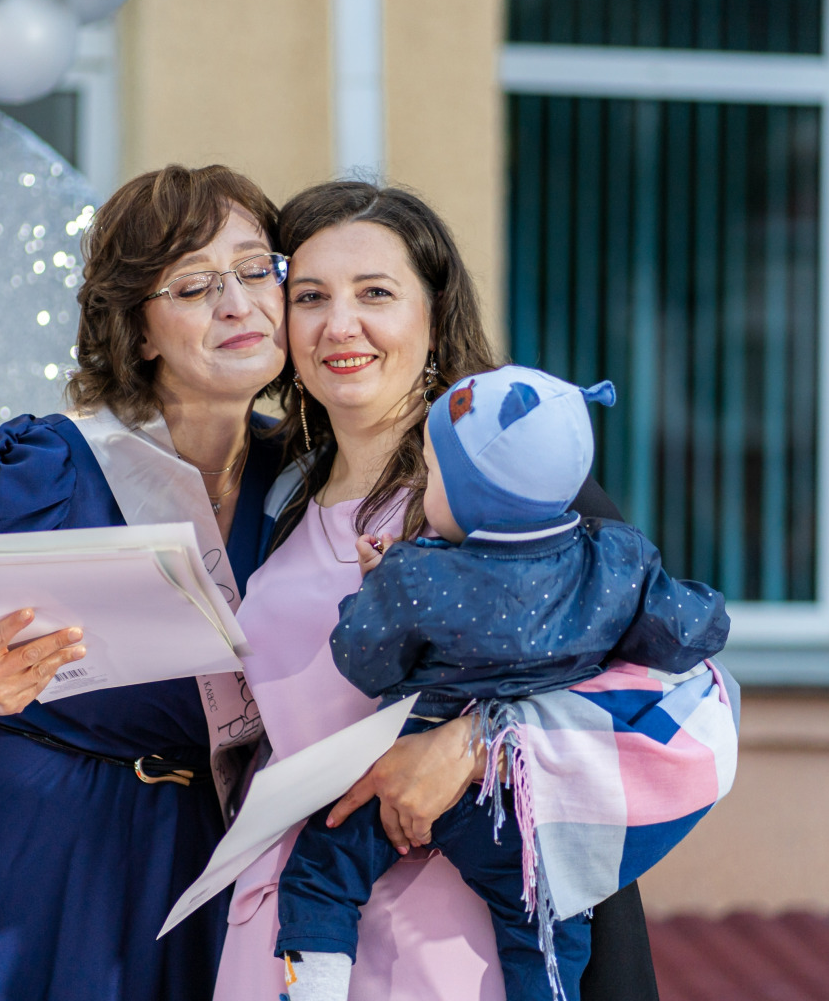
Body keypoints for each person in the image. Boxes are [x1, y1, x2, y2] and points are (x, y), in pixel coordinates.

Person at [215, 182, 737, 1001]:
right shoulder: (273, 486)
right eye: (309, 296)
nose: (337, 325)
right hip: (297, 935)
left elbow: (690, 700)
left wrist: (475, 744)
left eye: (375, 294)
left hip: (465, 941)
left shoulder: (513, 493)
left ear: (434, 313)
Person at [0, 164, 291, 1001]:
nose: (239, 304)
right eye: (194, 285)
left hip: (189, 879)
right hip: (0, 867)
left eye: (257, 269)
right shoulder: (50, 468)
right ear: (139, 331)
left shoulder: (308, 483)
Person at [274, 367, 732, 1001]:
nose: (428, 486)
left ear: (469, 493)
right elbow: (687, 633)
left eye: (434, 474)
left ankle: (312, 988)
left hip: (418, 764)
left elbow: (363, 661)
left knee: (323, 868)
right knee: (549, 936)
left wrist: (378, 587)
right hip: (540, 807)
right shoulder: (616, 561)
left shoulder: (421, 577)